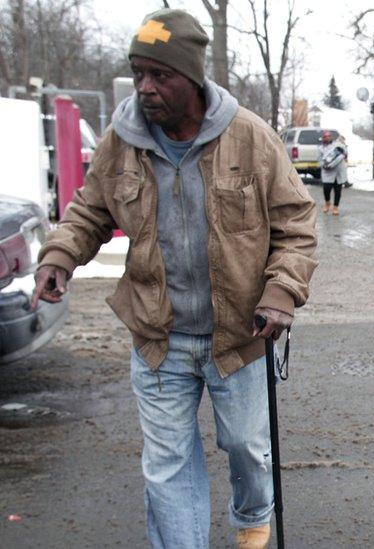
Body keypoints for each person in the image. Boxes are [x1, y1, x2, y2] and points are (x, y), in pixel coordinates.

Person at [31, 9, 318, 549]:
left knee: (247, 452)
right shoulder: (122, 141)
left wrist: (280, 292)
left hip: (240, 338)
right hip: (159, 339)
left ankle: (252, 525)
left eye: (160, 75)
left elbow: (296, 226)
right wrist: (59, 258)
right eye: (139, 73)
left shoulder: (250, 139)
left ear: (192, 78)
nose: (146, 87)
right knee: (167, 466)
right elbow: (89, 212)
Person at [319, 129, 348, 216]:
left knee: (338, 189)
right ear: (323, 138)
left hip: (338, 171)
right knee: (326, 189)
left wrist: (344, 152)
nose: (327, 138)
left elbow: (344, 152)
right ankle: (327, 203)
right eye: (325, 137)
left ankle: (336, 207)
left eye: (328, 136)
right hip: (327, 171)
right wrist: (323, 165)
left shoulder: (337, 145)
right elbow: (319, 159)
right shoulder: (321, 148)